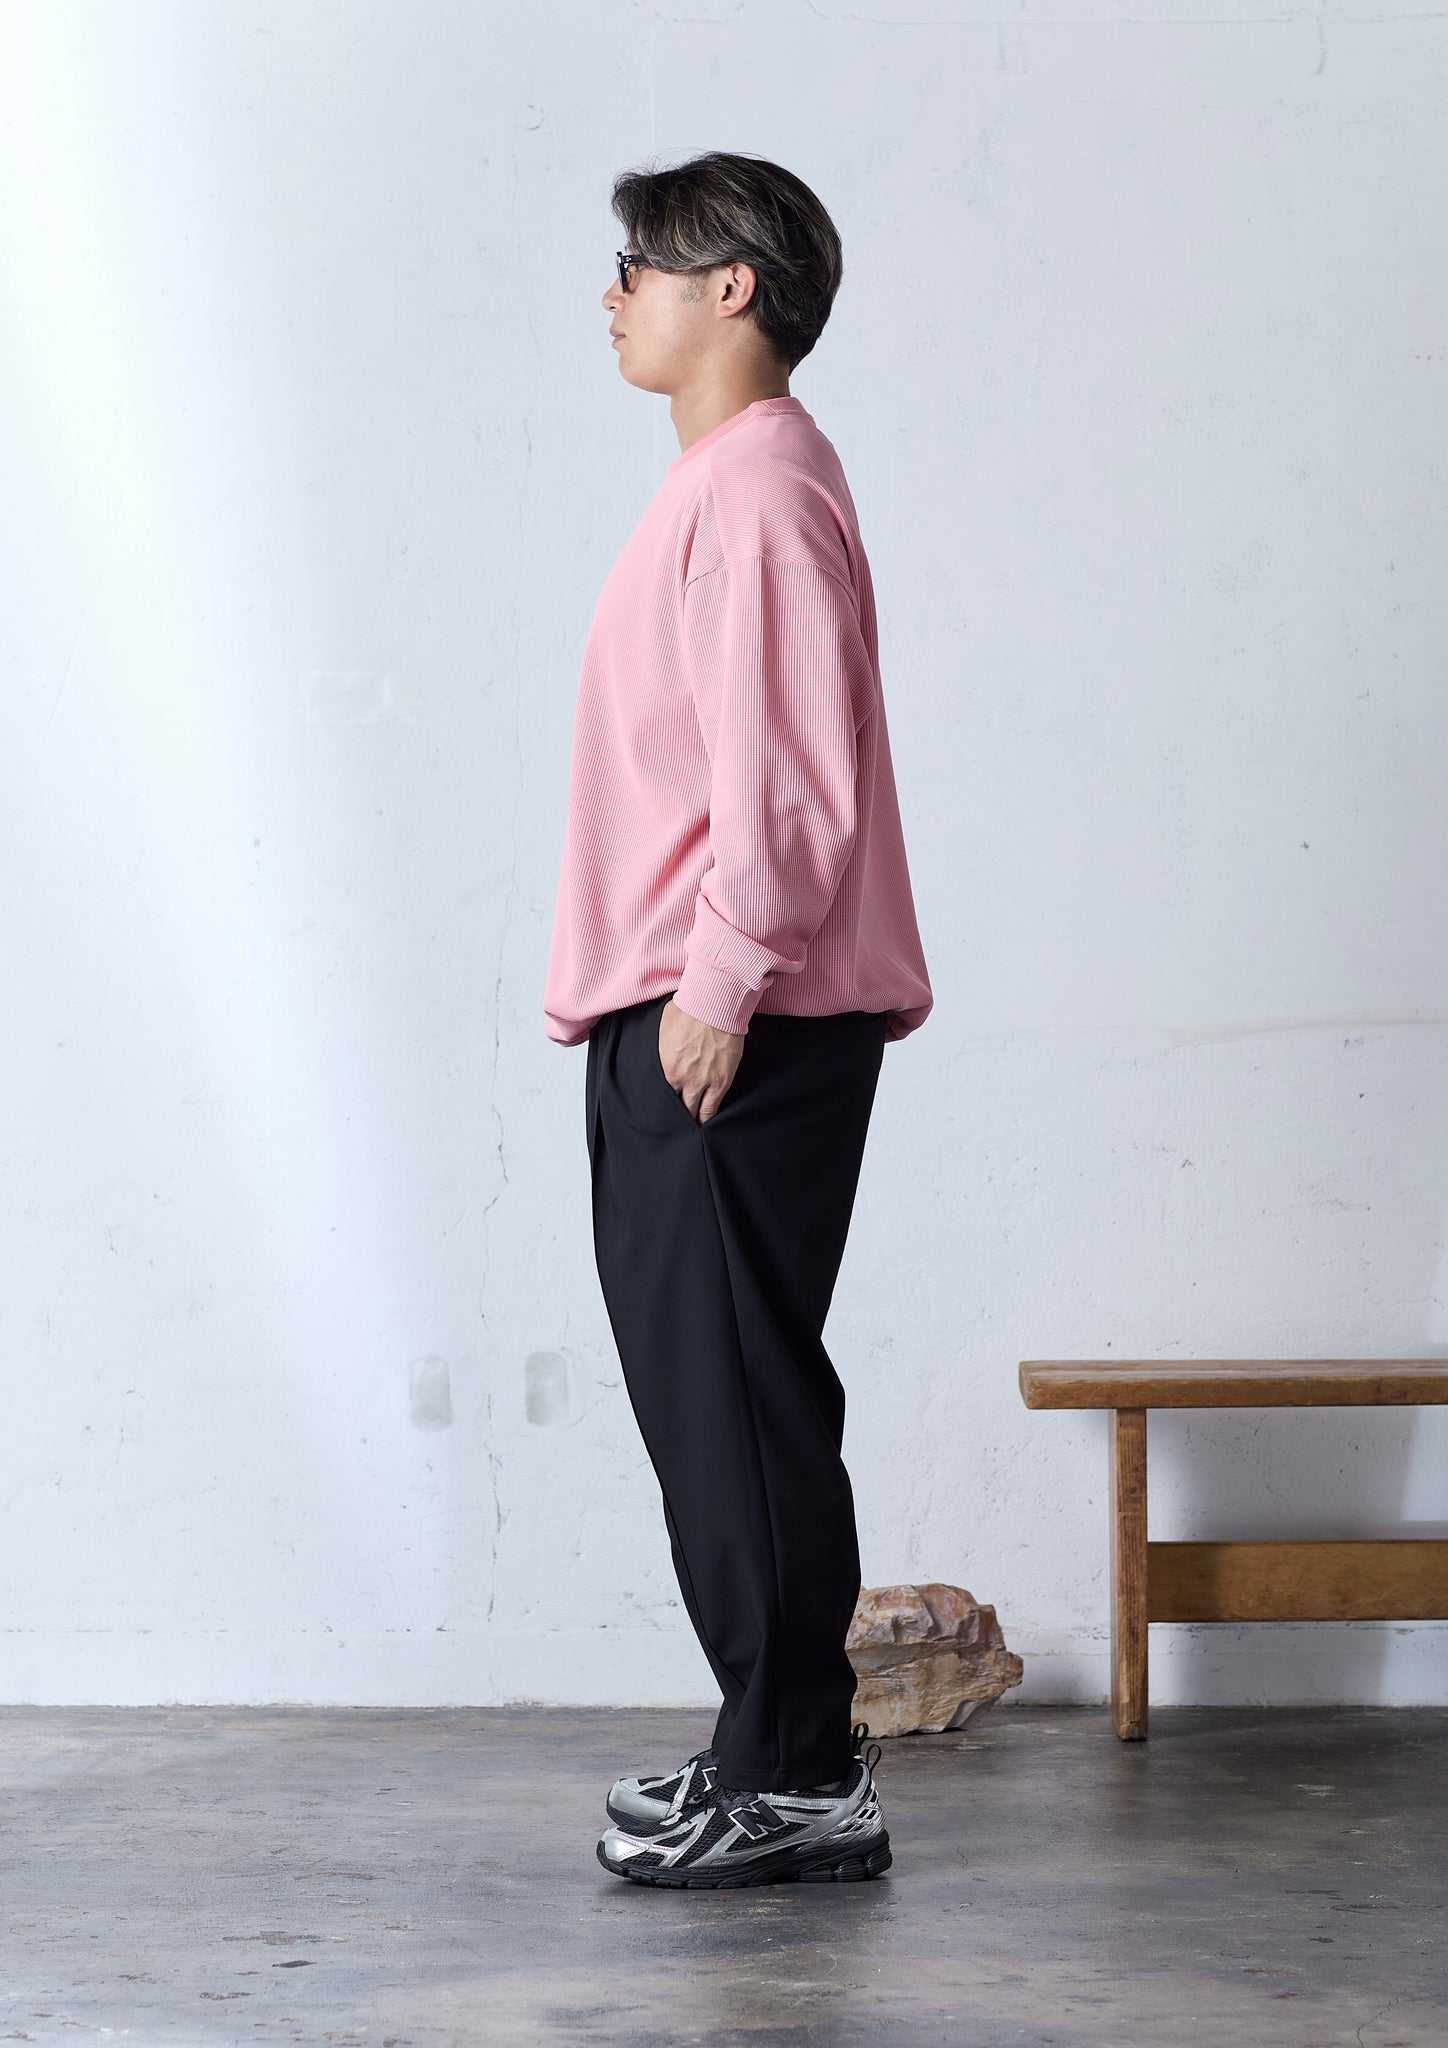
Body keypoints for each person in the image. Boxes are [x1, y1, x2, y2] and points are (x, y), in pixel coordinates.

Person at [543, 150, 933, 1888]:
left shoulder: (759, 489)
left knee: (743, 1402)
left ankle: (794, 1776)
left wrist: (716, 988)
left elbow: (787, 782)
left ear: (733, 289)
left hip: (732, 1018)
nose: (612, 294)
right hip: (710, 1011)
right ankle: (774, 1747)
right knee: (723, 1399)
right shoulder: (731, 483)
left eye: (638, 264)